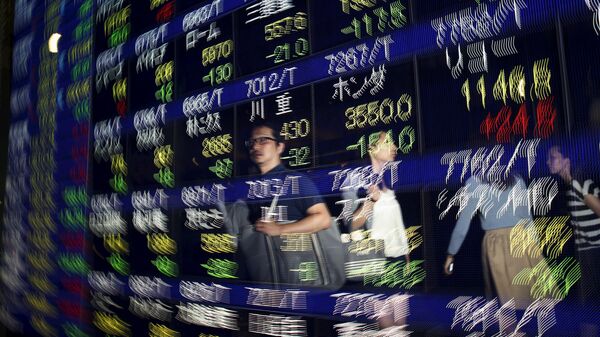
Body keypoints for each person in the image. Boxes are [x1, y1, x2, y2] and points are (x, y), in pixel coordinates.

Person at [239, 121, 333, 285]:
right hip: (266, 275)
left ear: (280, 147)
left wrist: (280, 229)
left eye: (263, 140)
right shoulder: (252, 187)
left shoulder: (295, 180)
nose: (256, 146)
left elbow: (323, 219)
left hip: (297, 274)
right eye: (252, 142)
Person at [443, 171, 541, 309]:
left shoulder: (474, 182)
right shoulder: (517, 178)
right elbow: (527, 217)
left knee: (505, 305)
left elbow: (464, 220)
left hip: (497, 244)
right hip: (523, 242)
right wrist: (536, 249)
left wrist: (451, 253)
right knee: (529, 300)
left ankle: (512, 330)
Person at [547, 144, 600, 335]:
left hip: (593, 250)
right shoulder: (572, 185)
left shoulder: (578, 183)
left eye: (553, 157)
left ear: (567, 161)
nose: (548, 162)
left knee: (590, 303)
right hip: (588, 250)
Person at [344, 131, 410, 263]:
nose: (394, 147)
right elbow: (352, 225)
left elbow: (397, 223)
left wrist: (406, 256)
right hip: (376, 260)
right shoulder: (356, 180)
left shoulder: (391, 177)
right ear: (372, 148)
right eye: (387, 142)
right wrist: (372, 200)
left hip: (399, 258)